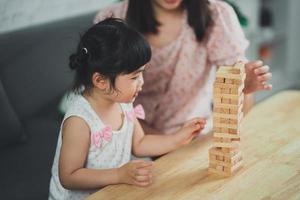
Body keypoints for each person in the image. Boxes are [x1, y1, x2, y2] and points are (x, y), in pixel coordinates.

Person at [49, 18, 206, 200]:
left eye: (142, 73)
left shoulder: (123, 102)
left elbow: (139, 144)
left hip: (113, 191)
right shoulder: (80, 121)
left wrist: (177, 139)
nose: (142, 82)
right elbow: (69, 177)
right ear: (100, 81)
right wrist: (118, 175)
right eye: (134, 77)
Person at [94, 0, 272, 135]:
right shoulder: (111, 19)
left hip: (196, 137)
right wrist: (160, 144)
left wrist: (242, 90)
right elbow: (102, 102)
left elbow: (237, 109)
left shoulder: (218, 15)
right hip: (132, 138)